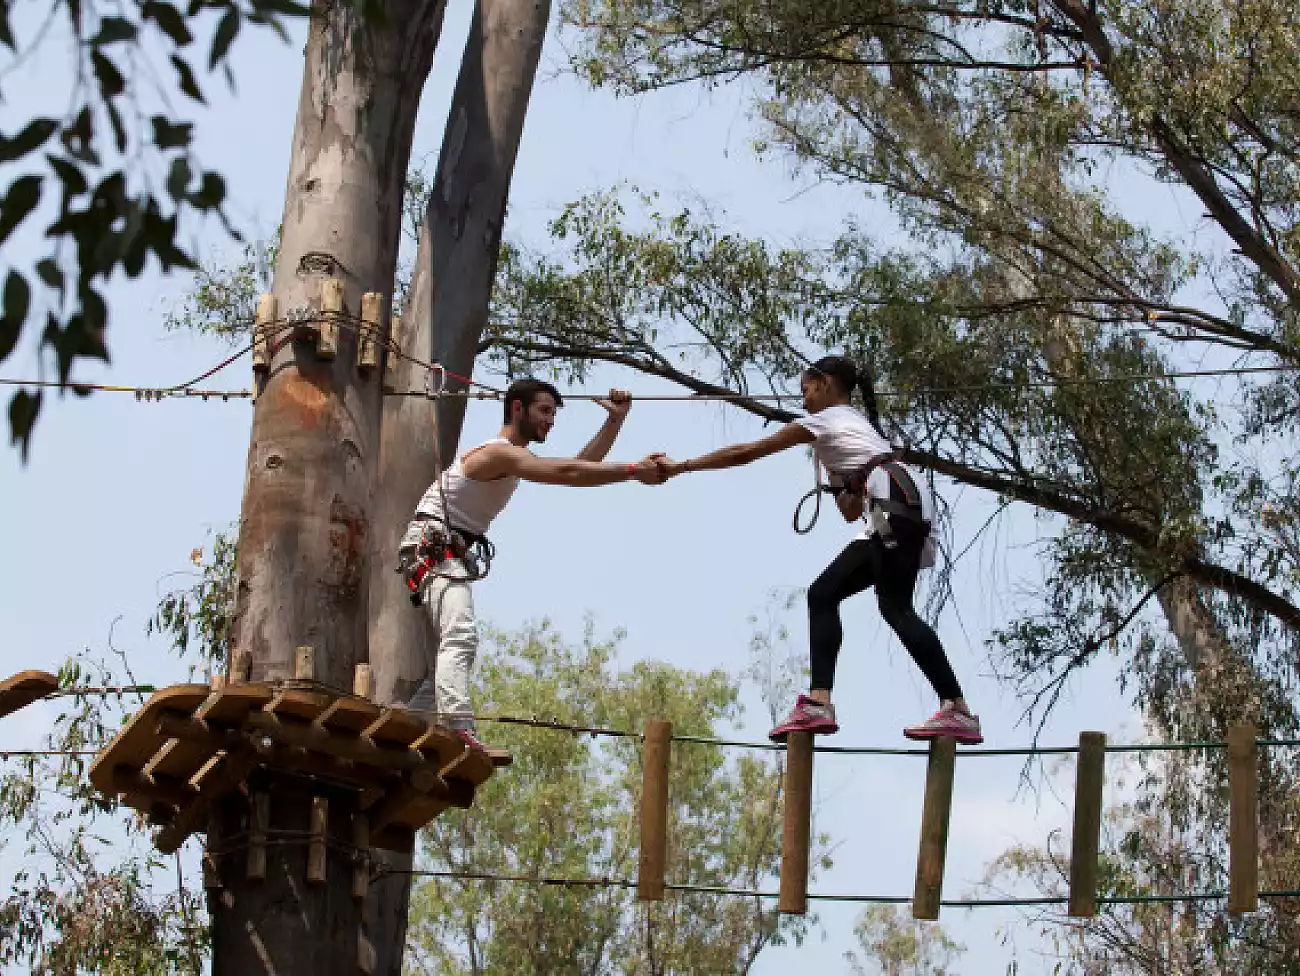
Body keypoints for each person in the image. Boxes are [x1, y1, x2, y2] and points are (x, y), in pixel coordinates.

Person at [656, 355, 982, 745]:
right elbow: (848, 514)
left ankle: (956, 709)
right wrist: (841, 483)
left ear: (825, 383)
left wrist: (682, 467)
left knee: (895, 607)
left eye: (806, 389)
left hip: (894, 497)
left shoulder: (829, 420)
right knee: (824, 593)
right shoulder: (852, 430)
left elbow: (746, 453)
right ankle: (819, 702)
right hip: (895, 501)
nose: (804, 399)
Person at [398, 378, 669, 750]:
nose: (550, 421)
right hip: (432, 547)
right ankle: (458, 728)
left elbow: (579, 469)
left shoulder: (517, 458)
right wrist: (634, 470)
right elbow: (567, 472)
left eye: (554, 414)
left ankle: (407, 730)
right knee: (461, 636)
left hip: (440, 549)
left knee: (446, 658)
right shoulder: (497, 453)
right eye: (544, 411)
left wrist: (615, 422)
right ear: (516, 408)